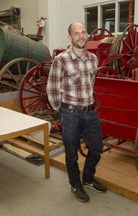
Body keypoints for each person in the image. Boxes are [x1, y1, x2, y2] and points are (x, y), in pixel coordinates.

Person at [46, 22, 107, 202]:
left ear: (87, 34)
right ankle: (75, 184)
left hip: (90, 111)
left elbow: (92, 83)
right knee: (72, 154)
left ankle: (87, 179)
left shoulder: (93, 59)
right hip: (70, 113)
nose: (80, 36)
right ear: (70, 37)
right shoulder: (61, 60)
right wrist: (62, 110)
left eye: (83, 32)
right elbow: (52, 88)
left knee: (97, 149)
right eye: (76, 33)